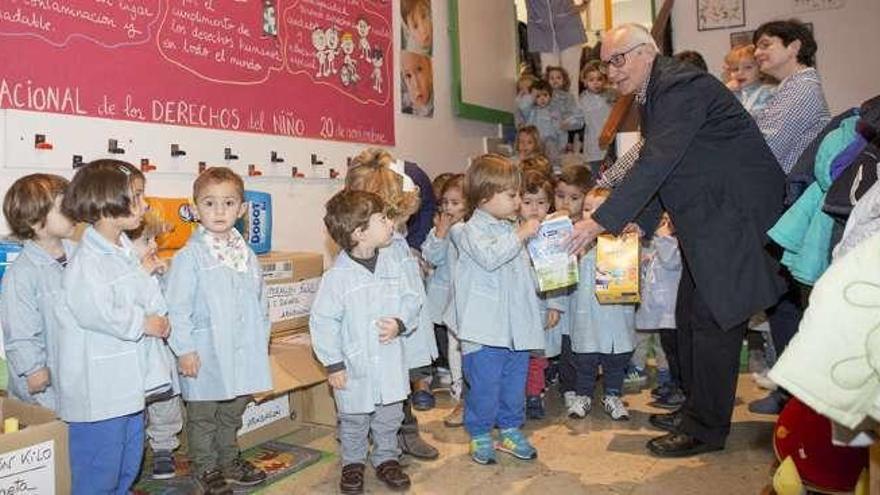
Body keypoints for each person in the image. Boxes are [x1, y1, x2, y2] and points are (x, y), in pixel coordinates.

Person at [568, 23, 786, 457]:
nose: (611, 72)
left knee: (712, 323)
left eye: (618, 59)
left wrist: (602, 221)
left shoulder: (678, 85)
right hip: (712, 215)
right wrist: (643, 221)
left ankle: (705, 429)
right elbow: (669, 165)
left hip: (733, 216)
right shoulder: (656, 93)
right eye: (606, 63)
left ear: (646, 52)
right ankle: (695, 408)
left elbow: (657, 161)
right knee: (688, 314)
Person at [53, 160, 170, 494]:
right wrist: (144, 323)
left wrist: (157, 310)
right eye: (137, 195)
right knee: (98, 470)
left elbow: (141, 292)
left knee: (128, 462)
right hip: (98, 394)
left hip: (127, 387)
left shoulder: (124, 250)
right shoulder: (86, 261)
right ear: (107, 202)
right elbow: (97, 312)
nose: (145, 204)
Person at [166, 167, 270, 494]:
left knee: (232, 413)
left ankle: (229, 460)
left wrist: (260, 344)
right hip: (204, 354)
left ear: (241, 210)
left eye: (228, 203)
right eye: (209, 204)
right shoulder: (189, 257)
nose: (219, 211)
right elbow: (177, 309)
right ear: (195, 210)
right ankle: (206, 466)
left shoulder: (247, 256)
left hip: (242, 352)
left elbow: (261, 302)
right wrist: (184, 350)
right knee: (203, 416)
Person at [750, 19, 830, 415]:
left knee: (784, 300)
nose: (758, 53)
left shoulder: (802, 90)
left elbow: (764, 146)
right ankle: (790, 391)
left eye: (766, 45)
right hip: (783, 201)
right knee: (780, 300)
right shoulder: (786, 89)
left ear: (794, 46)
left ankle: (794, 396)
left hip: (789, 202)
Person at [311, 190, 415, 495]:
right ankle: (353, 463)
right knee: (354, 420)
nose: (389, 223)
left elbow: (411, 298)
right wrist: (334, 363)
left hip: (389, 361)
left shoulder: (393, 263)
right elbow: (322, 322)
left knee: (390, 415)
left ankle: (386, 458)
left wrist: (399, 323)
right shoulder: (336, 278)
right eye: (382, 219)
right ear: (360, 233)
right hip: (353, 366)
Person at [346, 149, 440, 459]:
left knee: (401, 381)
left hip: (406, 321)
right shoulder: (365, 246)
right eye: (394, 216)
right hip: (387, 328)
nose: (400, 222)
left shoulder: (395, 237)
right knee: (385, 385)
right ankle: (379, 435)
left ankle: (405, 431)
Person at [454, 154, 543, 465]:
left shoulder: (511, 228)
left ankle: (509, 428)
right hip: (485, 330)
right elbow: (490, 258)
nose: (519, 201)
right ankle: (479, 433)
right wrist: (520, 234)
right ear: (486, 195)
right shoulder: (467, 231)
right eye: (512, 195)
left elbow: (523, 275)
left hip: (516, 330)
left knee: (513, 385)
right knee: (485, 386)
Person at [1, 174, 75, 411]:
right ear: (35, 221)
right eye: (65, 207)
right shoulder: (21, 274)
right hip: (42, 389)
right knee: (53, 434)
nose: (74, 211)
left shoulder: (81, 254)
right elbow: (19, 330)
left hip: (76, 375)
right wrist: (33, 368)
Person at [568, 187, 635, 420]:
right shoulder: (576, 245)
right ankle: (583, 395)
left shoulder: (624, 245)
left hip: (616, 316)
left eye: (600, 209)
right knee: (585, 359)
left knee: (615, 360)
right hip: (587, 317)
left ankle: (613, 395)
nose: (592, 214)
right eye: (587, 209)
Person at [127, 212, 184, 480]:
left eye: (154, 239)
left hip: (159, 352)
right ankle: (134, 451)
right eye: (145, 240)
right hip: (136, 353)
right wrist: (142, 275)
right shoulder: (123, 275)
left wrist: (163, 277)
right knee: (136, 406)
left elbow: (167, 305)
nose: (153, 246)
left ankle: (164, 447)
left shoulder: (154, 270)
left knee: (165, 402)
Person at [421, 175, 467, 427]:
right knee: (453, 344)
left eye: (455, 203)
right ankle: (458, 390)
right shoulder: (437, 230)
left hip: (467, 300)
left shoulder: (471, 231)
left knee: (465, 345)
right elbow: (431, 257)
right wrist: (440, 232)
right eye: (445, 203)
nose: (449, 208)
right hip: (446, 298)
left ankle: (469, 389)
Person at [519, 169, 562, 420]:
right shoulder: (514, 231)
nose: (534, 208)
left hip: (541, 305)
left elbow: (557, 272)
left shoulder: (552, 232)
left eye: (541, 202)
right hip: (517, 305)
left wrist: (555, 305)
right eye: (527, 202)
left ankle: (534, 395)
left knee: (537, 356)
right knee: (517, 357)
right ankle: (519, 395)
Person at [634, 212, 684, 409]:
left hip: (671, 310)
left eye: (667, 222)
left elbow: (671, 261)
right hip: (663, 311)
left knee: (675, 351)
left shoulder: (675, 243)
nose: (662, 226)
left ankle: (680, 387)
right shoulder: (664, 244)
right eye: (661, 221)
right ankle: (674, 383)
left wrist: (663, 235)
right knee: (669, 349)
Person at [552, 164, 590, 412]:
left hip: (585, 299)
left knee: (583, 343)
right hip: (560, 296)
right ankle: (568, 387)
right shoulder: (550, 224)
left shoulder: (591, 227)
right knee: (565, 343)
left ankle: (581, 385)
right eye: (561, 196)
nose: (566, 202)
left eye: (575, 198)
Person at [525, 0, 589, 97]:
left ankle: (572, 110)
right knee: (549, 79)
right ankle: (551, 111)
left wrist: (584, 4)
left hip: (568, 28)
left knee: (570, 79)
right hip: (543, 32)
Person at [518, 79, 565, 170]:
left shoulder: (555, 112)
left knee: (553, 155)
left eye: (545, 95)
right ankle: (534, 171)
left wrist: (562, 144)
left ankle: (556, 170)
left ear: (550, 96)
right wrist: (531, 96)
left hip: (550, 140)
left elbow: (560, 129)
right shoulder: (531, 111)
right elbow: (522, 106)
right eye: (538, 96)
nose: (542, 98)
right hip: (535, 141)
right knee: (534, 158)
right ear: (533, 99)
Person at [578, 60, 615, 175]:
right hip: (593, 146)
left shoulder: (612, 95)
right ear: (584, 81)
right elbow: (578, 120)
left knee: (613, 176)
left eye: (599, 79)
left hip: (612, 144)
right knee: (597, 178)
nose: (596, 83)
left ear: (606, 80)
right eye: (591, 80)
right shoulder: (583, 99)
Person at [726, 44, 775, 118]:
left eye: (748, 67)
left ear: (761, 70)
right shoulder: (731, 93)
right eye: (735, 69)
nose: (740, 73)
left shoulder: (768, 92)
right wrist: (724, 91)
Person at [545, 66, 585, 152]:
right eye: (551, 78)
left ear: (564, 80)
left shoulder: (568, 96)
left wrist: (568, 122)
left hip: (562, 128)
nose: (555, 80)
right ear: (547, 81)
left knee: (560, 152)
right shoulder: (544, 95)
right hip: (547, 129)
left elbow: (574, 113)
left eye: (558, 78)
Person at [401, 51, 434, 117]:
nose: (416, 84)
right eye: (408, 75)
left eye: (419, 70)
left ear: (430, 69)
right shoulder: (406, 103)